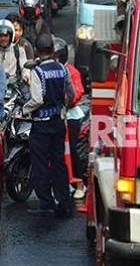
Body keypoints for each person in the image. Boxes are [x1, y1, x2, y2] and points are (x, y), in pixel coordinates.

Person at [23, 33, 75, 218]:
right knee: (59, 163)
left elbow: (37, 99)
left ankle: (46, 204)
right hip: (58, 123)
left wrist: (24, 109)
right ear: (53, 50)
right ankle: (64, 202)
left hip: (41, 126)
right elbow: (71, 92)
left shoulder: (37, 72)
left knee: (40, 165)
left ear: (37, 51)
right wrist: (63, 107)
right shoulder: (62, 68)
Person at [55, 36, 87, 200]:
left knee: (71, 150)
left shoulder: (71, 71)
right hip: (56, 115)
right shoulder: (50, 70)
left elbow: (78, 91)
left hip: (70, 116)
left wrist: (65, 102)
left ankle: (80, 183)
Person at [0, 19, 29, 89]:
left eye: (6, 36)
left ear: (11, 36)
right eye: (0, 36)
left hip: (14, 86)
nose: (3, 39)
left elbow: (25, 67)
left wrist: (26, 76)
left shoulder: (18, 50)